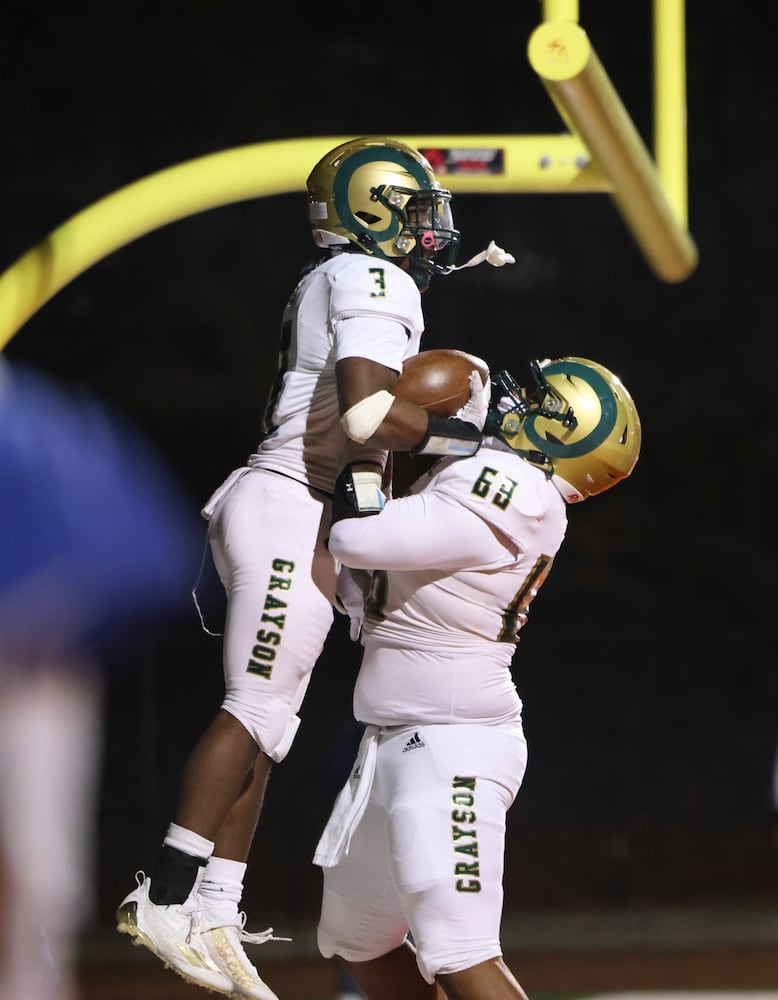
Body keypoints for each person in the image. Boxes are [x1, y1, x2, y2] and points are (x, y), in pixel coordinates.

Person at [115, 135, 514, 1000]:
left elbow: (361, 424)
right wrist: (470, 436)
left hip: (301, 505)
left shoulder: (351, 278)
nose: (430, 228)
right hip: (290, 500)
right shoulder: (374, 278)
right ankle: (167, 893)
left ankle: (214, 907)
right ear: (373, 208)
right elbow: (369, 415)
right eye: (415, 210)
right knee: (253, 707)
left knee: (273, 721)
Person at [315, 355, 642, 1000]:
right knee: (357, 942)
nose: (515, 403)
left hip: (450, 743)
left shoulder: (516, 486)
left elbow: (357, 537)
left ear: (564, 432)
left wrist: (368, 446)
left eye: (539, 401)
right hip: (394, 737)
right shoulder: (491, 473)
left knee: (460, 951)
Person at [0, 355, 201, 1000]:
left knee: (36, 886)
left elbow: (152, 559)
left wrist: (47, 612)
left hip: (28, 679)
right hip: (34, 677)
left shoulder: (36, 424)